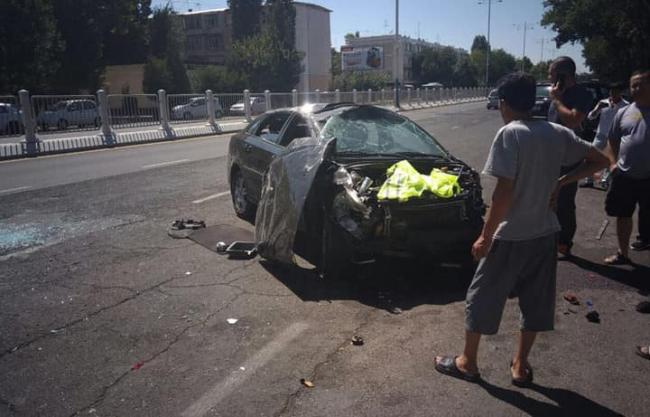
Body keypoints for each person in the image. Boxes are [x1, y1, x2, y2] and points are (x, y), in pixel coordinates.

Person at [434, 72, 608, 385]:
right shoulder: (556, 132)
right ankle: (519, 363)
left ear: (503, 103)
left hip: (510, 235)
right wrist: (563, 181)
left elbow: (503, 194)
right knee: (536, 300)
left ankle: (467, 362)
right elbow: (600, 160)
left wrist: (485, 238)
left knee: (481, 296)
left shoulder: (510, 134)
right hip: (544, 233)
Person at [547, 56, 594, 257]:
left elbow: (574, 121)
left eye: (552, 74)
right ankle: (550, 238)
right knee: (549, 199)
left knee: (564, 201)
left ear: (563, 76)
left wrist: (556, 100)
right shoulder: (558, 95)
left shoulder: (580, 94)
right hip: (551, 156)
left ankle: (564, 243)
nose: (549, 78)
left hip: (568, 159)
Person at [603, 70, 650, 264]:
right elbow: (612, 140)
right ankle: (623, 254)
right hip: (625, 175)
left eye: (641, 84)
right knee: (623, 215)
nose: (636, 88)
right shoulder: (623, 112)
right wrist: (613, 164)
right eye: (633, 85)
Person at [580, 83, 629, 187]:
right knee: (590, 157)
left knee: (610, 159)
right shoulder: (603, 102)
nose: (613, 94)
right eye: (611, 92)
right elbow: (590, 117)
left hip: (615, 137)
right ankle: (589, 180)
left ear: (620, 93)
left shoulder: (626, 105)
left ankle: (605, 180)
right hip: (600, 134)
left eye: (615, 92)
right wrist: (598, 109)